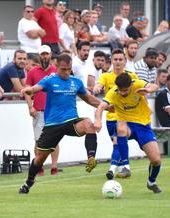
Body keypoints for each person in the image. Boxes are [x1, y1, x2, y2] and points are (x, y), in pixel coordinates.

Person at [18, 54, 102, 194]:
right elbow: (36, 87)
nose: (66, 72)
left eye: (69, 69)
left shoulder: (76, 82)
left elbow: (89, 99)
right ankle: (29, 182)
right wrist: (29, 90)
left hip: (71, 121)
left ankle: (91, 158)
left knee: (88, 123)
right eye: (63, 69)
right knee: (40, 158)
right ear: (57, 67)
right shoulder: (50, 80)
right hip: (53, 124)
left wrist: (105, 105)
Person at [95, 73, 162, 193]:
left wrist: (147, 90)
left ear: (131, 85)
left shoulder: (137, 84)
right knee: (120, 128)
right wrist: (98, 121)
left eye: (125, 90)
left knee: (156, 160)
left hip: (143, 126)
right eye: (120, 90)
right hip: (127, 124)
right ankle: (125, 166)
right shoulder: (114, 93)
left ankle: (151, 182)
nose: (122, 93)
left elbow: (155, 86)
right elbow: (100, 107)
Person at [93, 49, 138, 180]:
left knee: (117, 142)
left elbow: (138, 91)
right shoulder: (106, 76)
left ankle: (112, 169)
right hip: (111, 117)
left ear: (124, 61)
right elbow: (99, 84)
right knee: (118, 143)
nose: (118, 62)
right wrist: (97, 88)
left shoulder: (131, 76)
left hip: (126, 117)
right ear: (111, 61)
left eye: (120, 59)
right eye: (115, 60)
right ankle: (121, 168)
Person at [25, 45, 59, 176]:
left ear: (50, 55)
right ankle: (39, 166)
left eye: (46, 54)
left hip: (54, 111)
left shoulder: (57, 71)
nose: (44, 56)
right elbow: (27, 91)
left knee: (55, 140)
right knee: (38, 140)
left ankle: (54, 166)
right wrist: (30, 106)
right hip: (38, 110)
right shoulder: (32, 72)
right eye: (42, 54)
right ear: (39, 56)